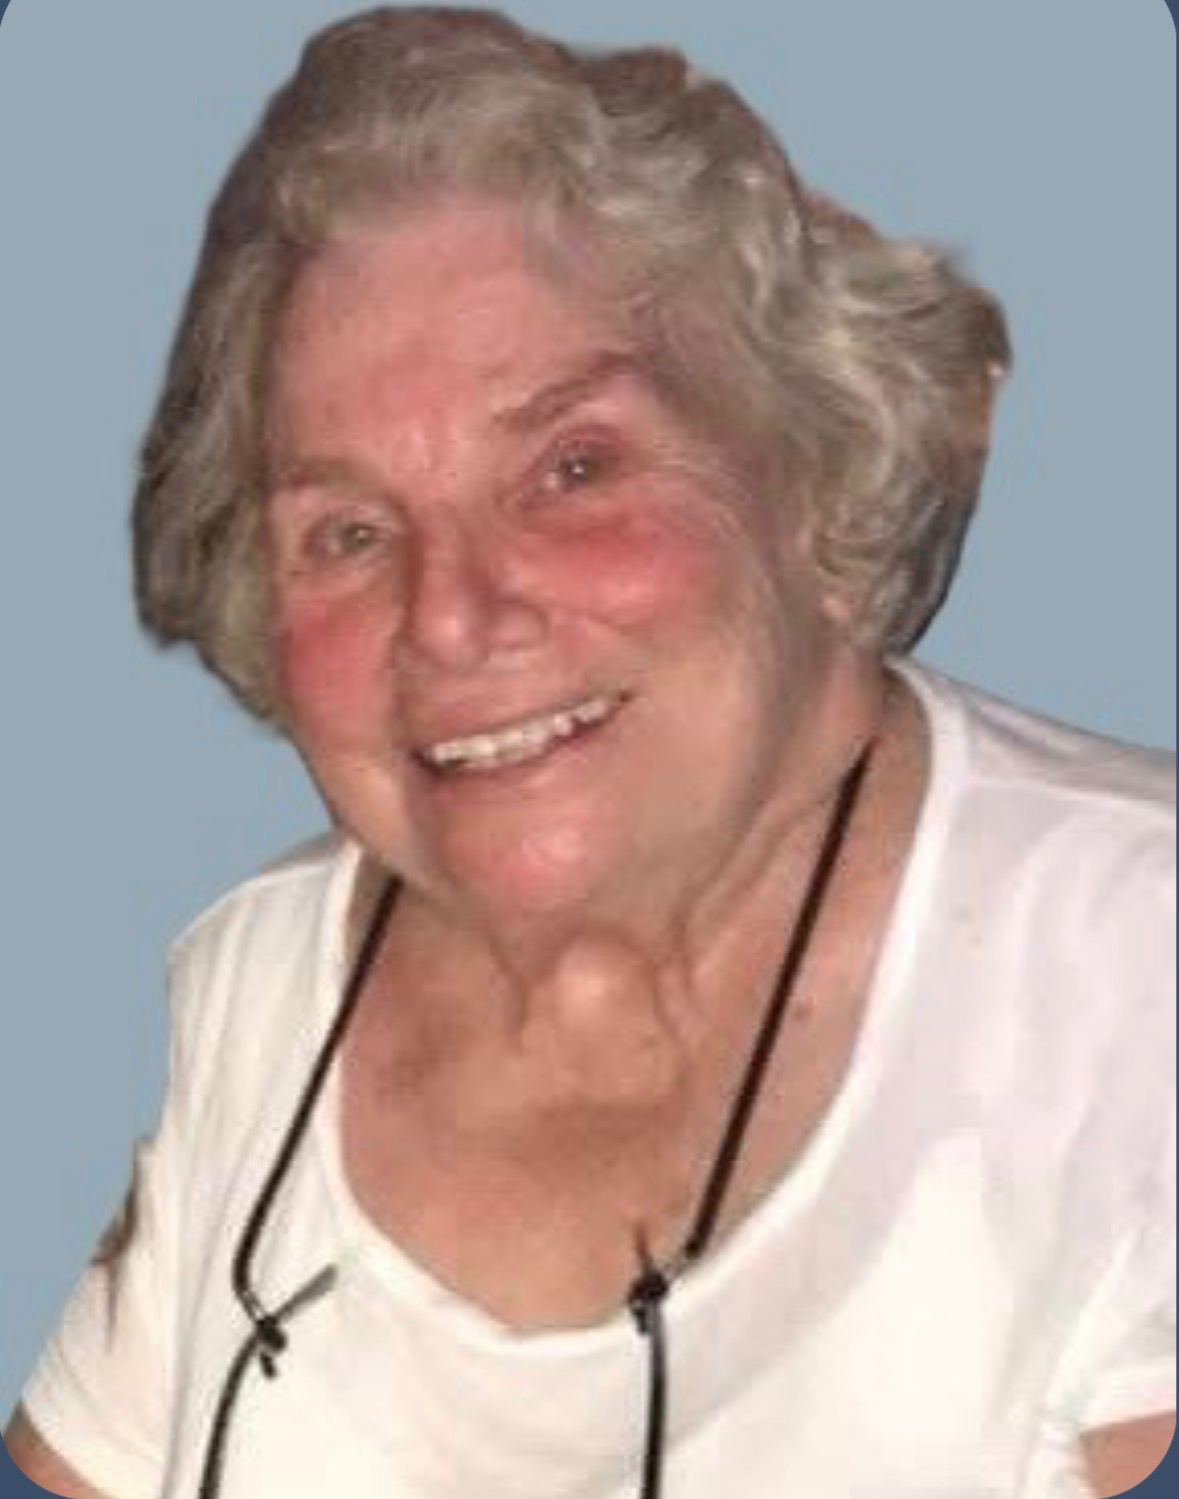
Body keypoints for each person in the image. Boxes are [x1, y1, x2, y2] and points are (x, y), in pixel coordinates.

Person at [4, 8, 1173, 1497]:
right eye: (346, 533)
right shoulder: (262, 983)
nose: (450, 615)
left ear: (823, 468)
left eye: (572, 465)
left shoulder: (1131, 970)